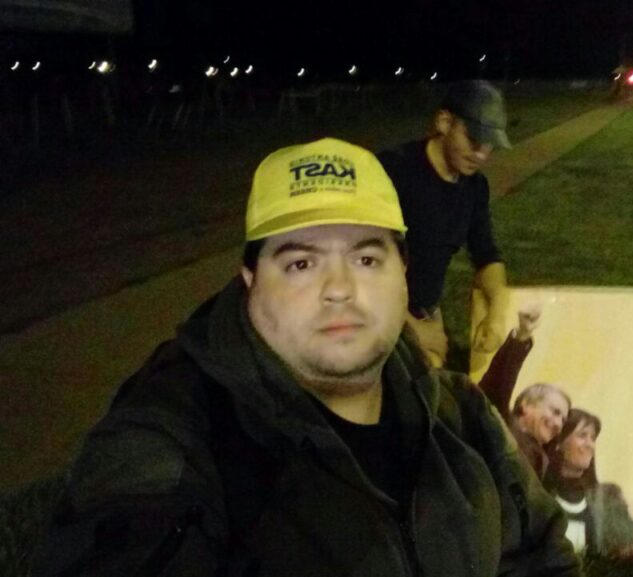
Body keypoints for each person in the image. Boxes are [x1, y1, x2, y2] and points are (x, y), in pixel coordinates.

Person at [33, 138, 579, 577]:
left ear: (404, 273)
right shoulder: (174, 440)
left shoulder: (460, 417)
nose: (338, 288)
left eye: (366, 259)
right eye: (300, 264)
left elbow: (541, 556)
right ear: (249, 280)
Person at [377, 80, 512, 368]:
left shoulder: (474, 187)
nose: (481, 154)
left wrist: (498, 310)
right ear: (444, 122)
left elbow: (486, 255)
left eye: (488, 145)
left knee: (435, 380)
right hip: (377, 313)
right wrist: (411, 328)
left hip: (424, 312)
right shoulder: (392, 171)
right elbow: (360, 264)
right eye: (473, 139)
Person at [477, 307, 571, 478]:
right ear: (526, 405)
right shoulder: (498, 424)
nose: (559, 424)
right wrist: (522, 336)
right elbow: (498, 383)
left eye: (563, 420)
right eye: (555, 412)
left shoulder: (544, 460)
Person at [543, 408, 633, 554]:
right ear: (559, 443)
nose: (590, 444)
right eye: (582, 436)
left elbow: (626, 545)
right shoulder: (538, 493)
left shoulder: (609, 498)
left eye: (593, 438)